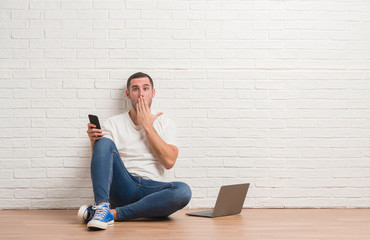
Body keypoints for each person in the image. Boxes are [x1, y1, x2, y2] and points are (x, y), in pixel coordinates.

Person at [77, 72, 192, 230]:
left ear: (153, 92)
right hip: (123, 185)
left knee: (183, 191)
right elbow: (103, 164)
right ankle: (102, 207)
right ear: (128, 94)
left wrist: (147, 126)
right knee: (103, 142)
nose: (141, 94)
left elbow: (169, 162)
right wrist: (94, 143)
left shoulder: (166, 123)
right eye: (135, 89)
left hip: (151, 192)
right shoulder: (112, 123)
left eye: (145, 88)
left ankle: (111, 214)